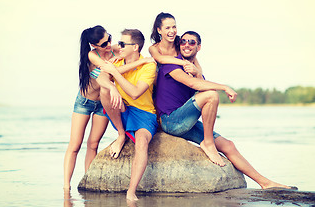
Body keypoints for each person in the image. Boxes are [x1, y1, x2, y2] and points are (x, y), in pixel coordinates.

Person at [155, 30, 295, 189]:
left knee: (228, 145)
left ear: (199, 47)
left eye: (192, 42)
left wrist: (197, 73)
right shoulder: (171, 63)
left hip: (184, 121)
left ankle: (265, 183)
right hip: (170, 120)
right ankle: (208, 143)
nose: (187, 45)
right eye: (184, 41)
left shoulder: (193, 68)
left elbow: (200, 85)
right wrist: (225, 87)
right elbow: (195, 86)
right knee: (212, 95)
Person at [63, 26, 153, 191]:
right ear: (94, 45)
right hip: (85, 101)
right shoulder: (92, 55)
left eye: (109, 39)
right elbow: (108, 72)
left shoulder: (115, 48)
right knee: (75, 145)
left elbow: (126, 58)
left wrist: (138, 60)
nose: (109, 44)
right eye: (104, 43)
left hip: (103, 103)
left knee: (93, 143)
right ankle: (66, 187)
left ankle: (87, 179)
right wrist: (141, 62)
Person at [90, 29, 158, 201]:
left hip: (144, 113)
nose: (117, 46)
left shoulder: (149, 65)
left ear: (135, 47)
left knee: (141, 142)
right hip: (123, 110)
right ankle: (121, 134)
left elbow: (135, 93)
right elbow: (101, 79)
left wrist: (115, 73)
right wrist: (112, 85)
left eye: (122, 44)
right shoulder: (117, 60)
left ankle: (131, 191)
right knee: (105, 90)